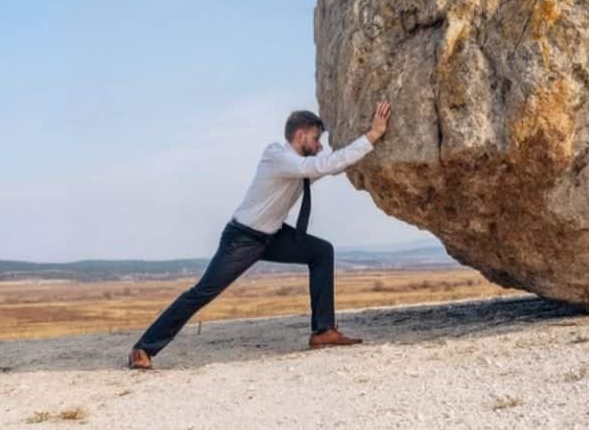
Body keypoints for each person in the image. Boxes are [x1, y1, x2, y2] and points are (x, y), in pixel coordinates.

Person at [128, 101, 393, 369]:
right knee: (203, 292)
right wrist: (372, 135)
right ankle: (143, 348)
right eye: (316, 139)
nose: (319, 146)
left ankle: (323, 331)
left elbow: (330, 166)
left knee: (321, 252)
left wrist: (369, 144)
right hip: (243, 239)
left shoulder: (299, 166)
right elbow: (321, 165)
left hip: (272, 236)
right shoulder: (277, 156)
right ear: (300, 135)